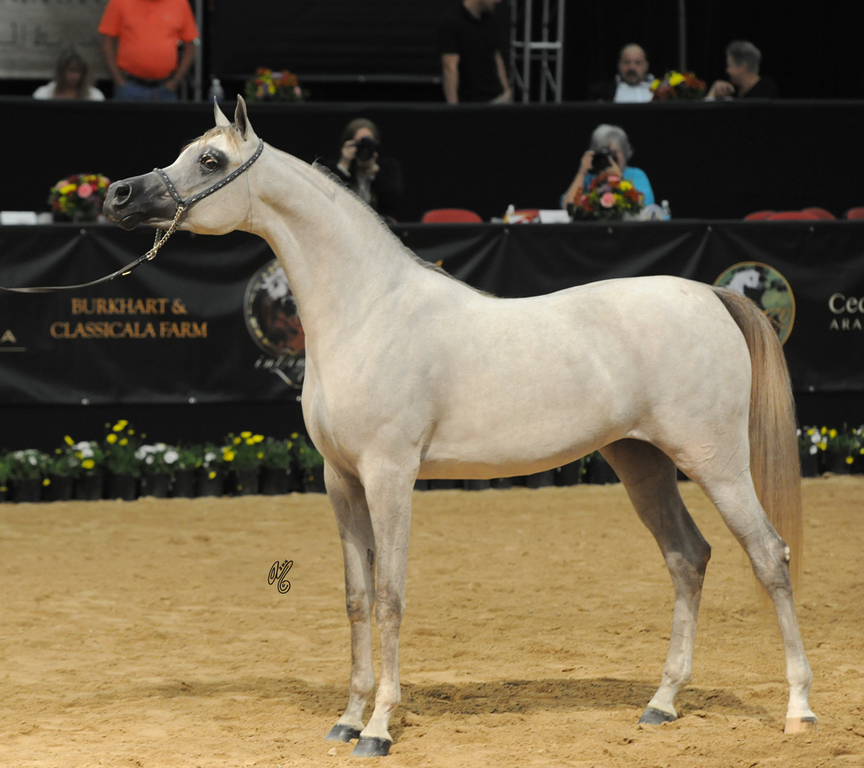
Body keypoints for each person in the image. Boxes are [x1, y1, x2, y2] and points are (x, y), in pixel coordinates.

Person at [98, 0, 199, 102]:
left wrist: (175, 81)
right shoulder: (120, 2)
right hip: (129, 87)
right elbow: (106, 42)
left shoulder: (180, 3)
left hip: (165, 88)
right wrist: (118, 80)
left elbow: (190, 45)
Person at [320, 118, 405, 222]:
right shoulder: (334, 167)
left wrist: (374, 169)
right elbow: (328, 199)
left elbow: (393, 203)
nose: (364, 148)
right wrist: (344, 165)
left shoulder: (387, 167)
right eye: (359, 143)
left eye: (368, 143)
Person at [561, 124, 655, 209]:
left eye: (614, 153)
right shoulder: (590, 177)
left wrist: (619, 177)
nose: (610, 159)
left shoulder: (636, 175)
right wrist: (582, 172)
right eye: (605, 153)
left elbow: (645, 206)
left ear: (625, 152)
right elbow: (568, 206)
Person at [439, 0, 511, 104]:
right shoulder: (452, 21)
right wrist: (453, 107)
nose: (498, 1)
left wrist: (506, 90)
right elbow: (449, 66)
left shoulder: (491, 20)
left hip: (497, 99)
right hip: (470, 103)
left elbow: (496, 56)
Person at [706, 40, 779, 100]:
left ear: (743, 67)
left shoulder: (765, 91)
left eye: (730, 66)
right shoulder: (735, 92)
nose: (727, 71)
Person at [33, 46, 105, 101]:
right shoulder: (43, 94)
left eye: (79, 71)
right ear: (61, 70)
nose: (75, 76)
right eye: (71, 70)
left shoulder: (95, 96)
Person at [587, 44, 654, 103]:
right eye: (627, 62)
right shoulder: (601, 92)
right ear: (619, 65)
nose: (632, 67)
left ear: (646, 66)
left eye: (638, 62)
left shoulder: (660, 89)